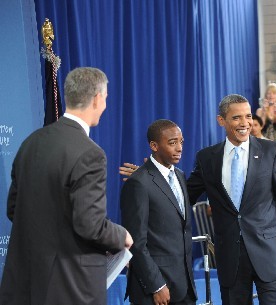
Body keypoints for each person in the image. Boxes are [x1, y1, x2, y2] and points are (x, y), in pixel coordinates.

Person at [0, 67, 133, 304]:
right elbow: (90, 225)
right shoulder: (91, 154)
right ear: (96, 98)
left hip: (27, 282)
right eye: (105, 99)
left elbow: (14, 210)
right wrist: (121, 235)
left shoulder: (31, 143)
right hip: (71, 287)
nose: (104, 106)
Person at [187, 94, 276, 305]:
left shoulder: (272, 151)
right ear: (221, 121)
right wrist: (155, 176)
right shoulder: (207, 158)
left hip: (270, 255)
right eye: (236, 118)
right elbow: (186, 194)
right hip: (230, 259)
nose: (245, 123)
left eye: (248, 116)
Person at [120, 120, 196, 305]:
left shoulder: (179, 175)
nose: (179, 148)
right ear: (154, 146)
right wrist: (156, 286)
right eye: (172, 143)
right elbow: (136, 242)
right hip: (155, 290)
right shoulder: (138, 183)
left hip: (184, 287)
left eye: (181, 142)